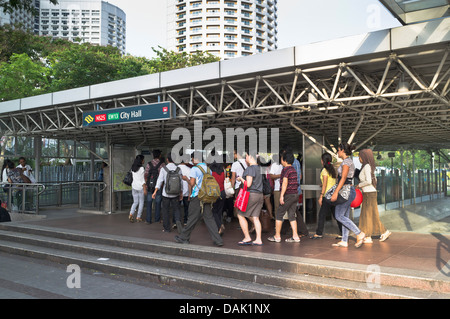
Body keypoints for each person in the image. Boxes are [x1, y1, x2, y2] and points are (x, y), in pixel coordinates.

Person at [175, 152, 223, 247]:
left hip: (197, 196)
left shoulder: (195, 169)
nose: (192, 161)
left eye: (192, 159)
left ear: (196, 159)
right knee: (209, 218)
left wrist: (186, 179)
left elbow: (192, 184)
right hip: (207, 196)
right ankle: (218, 240)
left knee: (192, 218)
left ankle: (184, 238)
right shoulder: (208, 169)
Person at [330, 143, 366, 248]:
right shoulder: (349, 161)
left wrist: (336, 192)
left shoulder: (346, 162)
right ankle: (344, 240)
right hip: (348, 190)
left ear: (342, 150)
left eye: (338, 150)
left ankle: (359, 233)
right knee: (344, 216)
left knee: (338, 215)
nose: (337, 152)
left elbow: (344, 177)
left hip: (345, 190)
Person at [357, 149, 391, 243]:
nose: (359, 158)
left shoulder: (367, 166)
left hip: (369, 193)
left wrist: (359, 185)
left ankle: (374, 234)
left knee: (369, 215)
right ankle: (370, 235)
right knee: (368, 215)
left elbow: (369, 181)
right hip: (368, 193)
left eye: (360, 156)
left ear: (364, 157)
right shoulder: (367, 166)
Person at [268, 152, 302, 243]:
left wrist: (282, 195)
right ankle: (295, 236)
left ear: (285, 160)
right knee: (291, 215)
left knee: (279, 213)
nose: (280, 160)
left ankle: (277, 236)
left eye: (282, 158)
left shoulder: (285, 170)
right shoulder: (293, 170)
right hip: (295, 194)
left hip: (288, 194)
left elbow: (285, 183)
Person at [236, 152, 264, 246]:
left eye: (247, 156)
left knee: (240, 215)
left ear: (251, 157)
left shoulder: (250, 168)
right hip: (260, 195)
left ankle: (247, 237)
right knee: (255, 218)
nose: (246, 158)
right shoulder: (260, 168)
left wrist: (240, 179)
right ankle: (258, 239)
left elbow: (248, 184)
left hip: (251, 195)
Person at [310, 153, 339, 239]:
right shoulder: (332, 170)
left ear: (323, 161)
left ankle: (319, 233)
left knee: (322, 215)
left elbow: (325, 184)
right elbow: (331, 182)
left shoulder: (324, 170)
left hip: (327, 195)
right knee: (336, 215)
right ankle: (342, 232)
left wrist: (321, 196)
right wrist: (322, 184)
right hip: (333, 195)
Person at [153, 153, 183, 233]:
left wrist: (155, 191)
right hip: (176, 193)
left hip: (166, 194)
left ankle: (167, 228)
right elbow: (181, 182)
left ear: (167, 159)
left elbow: (159, 181)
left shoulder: (164, 169)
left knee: (165, 210)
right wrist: (181, 193)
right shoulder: (178, 169)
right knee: (176, 210)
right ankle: (178, 222)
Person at [145, 150, 165, 224]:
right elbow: (164, 176)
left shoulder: (148, 164)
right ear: (160, 155)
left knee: (149, 202)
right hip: (158, 186)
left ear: (153, 155)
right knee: (158, 202)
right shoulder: (162, 164)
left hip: (150, 186)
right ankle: (157, 219)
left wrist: (148, 183)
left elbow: (146, 175)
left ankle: (148, 220)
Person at [209, 154, 226, 235]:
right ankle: (219, 227)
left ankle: (220, 226)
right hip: (222, 193)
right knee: (219, 211)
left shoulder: (210, 170)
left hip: (214, 193)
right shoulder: (223, 170)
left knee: (213, 211)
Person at [129, 155, 146, 223]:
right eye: (143, 159)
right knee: (141, 202)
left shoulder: (133, 168)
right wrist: (144, 188)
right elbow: (142, 180)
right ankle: (138, 217)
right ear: (141, 161)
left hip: (134, 187)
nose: (144, 161)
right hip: (140, 187)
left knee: (135, 202)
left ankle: (131, 214)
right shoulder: (141, 168)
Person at [230, 150, 247, 217]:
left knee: (238, 204)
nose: (233, 156)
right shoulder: (247, 162)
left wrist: (232, 188)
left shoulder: (235, 164)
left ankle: (240, 219)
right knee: (246, 203)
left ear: (237, 154)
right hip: (246, 185)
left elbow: (233, 177)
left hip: (238, 186)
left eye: (234, 154)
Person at [178, 159, 192, 225]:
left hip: (177, 192)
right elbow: (190, 183)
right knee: (186, 208)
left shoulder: (176, 168)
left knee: (177, 207)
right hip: (186, 192)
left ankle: (176, 221)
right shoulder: (189, 169)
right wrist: (190, 193)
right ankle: (186, 221)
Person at [269, 154, 283, 219]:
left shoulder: (283, 165)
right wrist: (280, 175)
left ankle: (282, 220)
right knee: (277, 205)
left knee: (283, 205)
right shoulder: (274, 165)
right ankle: (278, 220)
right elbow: (271, 176)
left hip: (284, 188)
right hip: (277, 188)